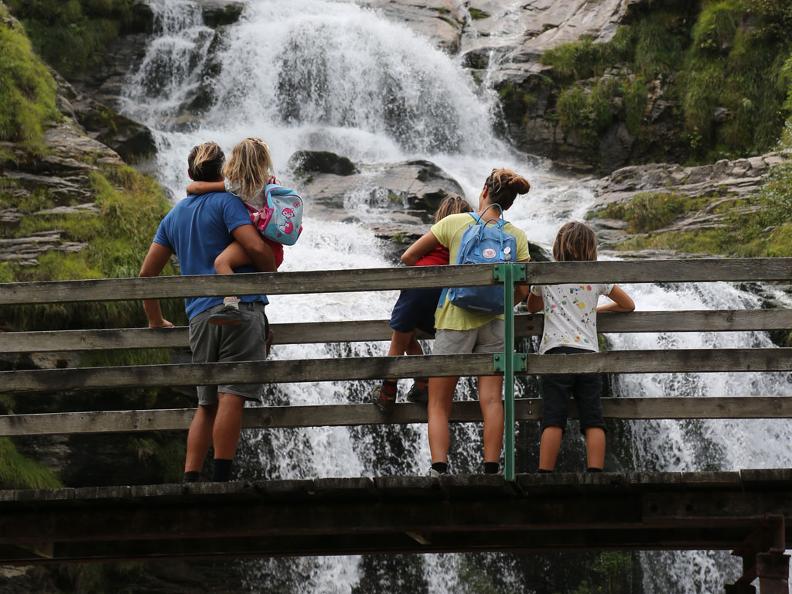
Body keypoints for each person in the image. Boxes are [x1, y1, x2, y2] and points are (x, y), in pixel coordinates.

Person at [139, 141, 276, 483]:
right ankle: (221, 478)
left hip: (199, 316)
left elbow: (145, 276)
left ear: (190, 174)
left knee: (206, 402)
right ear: (223, 172)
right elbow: (256, 247)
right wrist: (269, 262)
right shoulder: (228, 203)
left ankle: (191, 476)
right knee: (232, 394)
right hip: (238, 310)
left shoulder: (174, 215)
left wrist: (155, 319)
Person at [401, 168, 532, 476]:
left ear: (484, 190)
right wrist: (499, 303)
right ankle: (490, 467)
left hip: (454, 318)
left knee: (438, 400)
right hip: (496, 323)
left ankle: (439, 468)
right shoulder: (516, 236)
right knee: (491, 400)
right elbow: (524, 290)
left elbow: (409, 258)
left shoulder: (454, 223)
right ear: (510, 202)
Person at [526, 221, 635, 473]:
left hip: (555, 354)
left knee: (553, 417)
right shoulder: (596, 277)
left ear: (558, 247)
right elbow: (628, 305)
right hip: (588, 355)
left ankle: (545, 473)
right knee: (593, 419)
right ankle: (595, 472)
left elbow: (532, 307)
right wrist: (597, 310)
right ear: (590, 248)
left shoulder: (547, 274)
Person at [373, 194, 473, 413]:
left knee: (399, 340)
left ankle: (387, 392)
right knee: (409, 334)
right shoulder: (466, 240)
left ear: (440, 216)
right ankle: (422, 382)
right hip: (445, 297)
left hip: (419, 287)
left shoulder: (438, 233)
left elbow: (407, 258)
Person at [185, 137, 282, 325]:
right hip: (273, 244)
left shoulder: (237, 185)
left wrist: (190, 188)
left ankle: (231, 305)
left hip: (259, 242)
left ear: (236, 162)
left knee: (221, 262)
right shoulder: (271, 182)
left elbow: (199, 187)